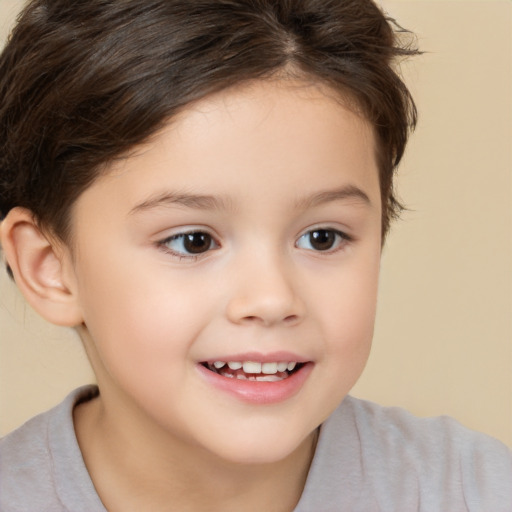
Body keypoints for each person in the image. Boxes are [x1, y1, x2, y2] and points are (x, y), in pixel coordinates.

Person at [0, 0, 510, 510]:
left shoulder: (475, 492)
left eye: (322, 238)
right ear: (50, 268)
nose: (271, 299)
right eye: (193, 241)